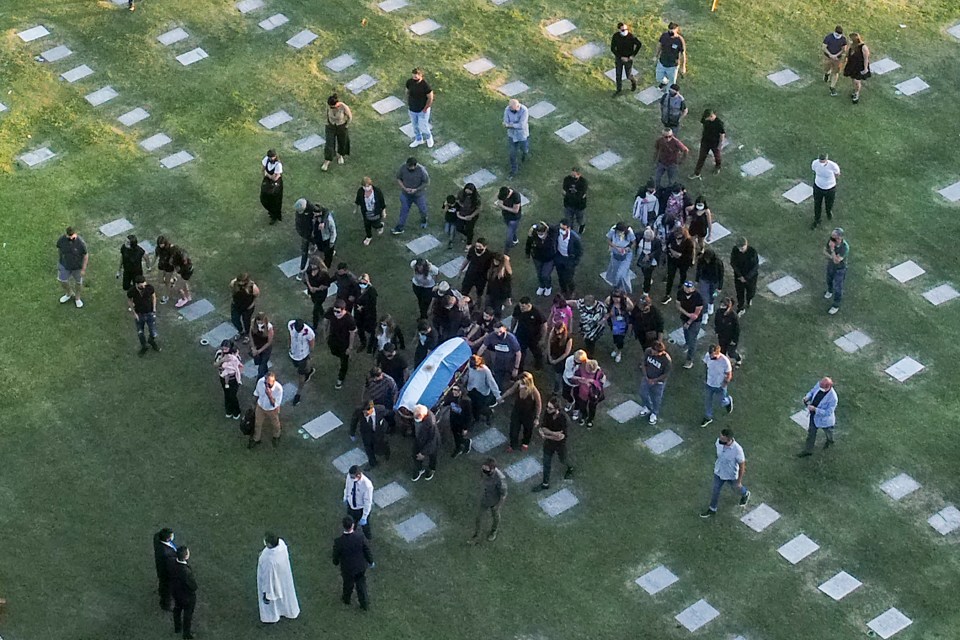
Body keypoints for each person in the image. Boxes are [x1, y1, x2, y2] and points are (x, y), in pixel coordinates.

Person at [699, 428, 750, 518]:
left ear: (729, 439)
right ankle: (712, 509)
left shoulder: (737, 450)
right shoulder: (718, 442)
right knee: (715, 490)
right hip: (719, 472)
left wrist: (739, 481)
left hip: (731, 475)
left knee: (736, 487)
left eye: (723, 439)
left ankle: (745, 493)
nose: (720, 439)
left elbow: (742, 466)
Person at [331, 516, 374, 610]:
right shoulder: (360, 537)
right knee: (361, 585)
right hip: (360, 567)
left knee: (347, 585)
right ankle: (364, 604)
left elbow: (336, 555)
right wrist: (371, 561)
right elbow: (366, 550)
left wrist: (336, 562)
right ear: (352, 525)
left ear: (344, 526)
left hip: (348, 569)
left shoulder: (339, 542)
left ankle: (346, 599)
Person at [257, 533, 300, 623]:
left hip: (273, 580)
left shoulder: (269, 560)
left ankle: (272, 616)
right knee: (285, 594)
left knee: (273, 602)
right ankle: (287, 611)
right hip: (283, 576)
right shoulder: (282, 545)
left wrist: (267, 593)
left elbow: (267, 577)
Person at [534, 396, 574, 491]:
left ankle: (570, 467)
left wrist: (546, 435)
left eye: (550, 408)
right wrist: (553, 433)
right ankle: (545, 483)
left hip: (560, 444)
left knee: (563, 459)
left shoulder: (564, 419)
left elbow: (560, 437)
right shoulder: (547, 414)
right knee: (546, 462)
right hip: (549, 444)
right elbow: (543, 428)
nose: (547, 409)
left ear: (557, 409)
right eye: (547, 407)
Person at [497, 372, 542, 453]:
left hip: (528, 414)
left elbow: (539, 404)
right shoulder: (518, 384)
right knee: (513, 428)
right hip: (517, 411)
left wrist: (537, 417)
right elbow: (511, 390)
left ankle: (525, 443)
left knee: (528, 430)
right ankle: (513, 444)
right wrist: (502, 397)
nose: (521, 384)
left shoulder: (534, 391)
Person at [798, 377, 839, 457]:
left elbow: (828, 412)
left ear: (828, 387)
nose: (820, 388)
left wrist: (815, 409)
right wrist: (807, 397)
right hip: (814, 416)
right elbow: (812, 391)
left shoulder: (833, 398)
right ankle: (808, 450)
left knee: (828, 432)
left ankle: (830, 441)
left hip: (825, 420)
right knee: (811, 434)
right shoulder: (819, 385)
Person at [470, 458, 507, 543]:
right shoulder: (484, 470)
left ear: (493, 469)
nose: (484, 471)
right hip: (485, 498)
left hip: (495, 500)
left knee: (495, 516)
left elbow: (503, 494)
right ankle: (477, 533)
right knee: (479, 517)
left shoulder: (500, 479)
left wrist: (498, 506)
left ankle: (494, 531)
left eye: (487, 470)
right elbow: (482, 476)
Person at [322, 300, 357, 390]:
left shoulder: (349, 319)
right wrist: (325, 334)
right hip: (333, 339)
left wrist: (350, 347)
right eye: (334, 311)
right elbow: (326, 321)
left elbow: (352, 333)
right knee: (333, 352)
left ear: (343, 310)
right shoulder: (331, 312)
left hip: (344, 343)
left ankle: (340, 378)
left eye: (338, 311)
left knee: (344, 361)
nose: (335, 313)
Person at [478, 322, 522, 389]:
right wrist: (477, 357)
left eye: (500, 332)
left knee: (511, 377)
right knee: (498, 380)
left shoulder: (511, 338)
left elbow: (518, 353)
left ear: (505, 329)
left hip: (510, 363)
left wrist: (516, 368)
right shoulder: (491, 336)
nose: (499, 334)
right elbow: (483, 347)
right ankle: (499, 393)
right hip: (499, 362)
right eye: (496, 333)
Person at [393, 156, 430, 234]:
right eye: (408, 166)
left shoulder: (422, 170)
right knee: (404, 211)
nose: (409, 168)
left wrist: (416, 189)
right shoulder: (403, 167)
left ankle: (424, 220)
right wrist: (404, 188)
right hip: (406, 194)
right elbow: (399, 178)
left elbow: (426, 182)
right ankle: (400, 227)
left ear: (415, 165)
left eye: (411, 167)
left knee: (423, 210)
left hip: (418, 195)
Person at [638, 339, 671, 425]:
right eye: (653, 351)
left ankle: (654, 413)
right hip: (647, 377)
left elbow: (665, 374)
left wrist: (655, 380)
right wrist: (646, 376)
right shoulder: (648, 351)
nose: (653, 353)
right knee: (642, 393)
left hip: (659, 382)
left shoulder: (666, 360)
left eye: (655, 352)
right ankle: (648, 407)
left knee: (656, 398)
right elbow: (644, 363)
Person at [701, 344, 733, 428]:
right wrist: (705, 376)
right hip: (709, 384)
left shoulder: (725, 361)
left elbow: (729, 374)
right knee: (708, 400)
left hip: (719, 386)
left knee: (721, 402)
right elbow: (705, 365)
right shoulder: (708, 356)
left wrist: (724, 383)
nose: (711, 358)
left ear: (718, 353)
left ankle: (728, 401)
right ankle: (708, 417)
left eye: (714, 357)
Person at [127, 275, 161, 356]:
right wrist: (134, 313)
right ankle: (144, 347)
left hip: (149, 313)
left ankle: (151, 341)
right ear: (137, 284)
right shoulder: (132, 291)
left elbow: (153, 296)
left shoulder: (149, 288)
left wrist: (154, 308)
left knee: (153, 332)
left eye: (144, 283)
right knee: (140, 333)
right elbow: (129, 300)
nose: (143, 286)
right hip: (139, 314)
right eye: (141, 285)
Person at [511, 297, 547, 369]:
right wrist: (512, 330)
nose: (521, 308)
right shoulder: (518, 308)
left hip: (534, 337)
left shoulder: (536, 312)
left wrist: (543, 338)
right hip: (521, 334)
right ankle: (520, 368)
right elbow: (514, 318)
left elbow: (544, 325)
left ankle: (539, 365)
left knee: (537, 352)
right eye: (520, 306)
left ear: (528, 305)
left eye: (523, 306)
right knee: (520, 352)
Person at [250, 371, 283, 449]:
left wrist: (270, 395)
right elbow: (256, 393)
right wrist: (253, 404)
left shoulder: (278, 389)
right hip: (260, 406)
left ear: (273, 382)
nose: (266, 386)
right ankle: (256, 439)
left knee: (275, 424)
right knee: (258, 423)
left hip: (272, 409)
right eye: (265, 383)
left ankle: (276, 436)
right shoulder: (261, 382)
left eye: (269, 384)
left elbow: (275, 404)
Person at [56, 227, 88, 308]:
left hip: (77, 267)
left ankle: (77, 298)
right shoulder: (62, 240)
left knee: (78, 282)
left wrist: (83, 269)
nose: (70, 238)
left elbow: (85, 255)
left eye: (72, 236)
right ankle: (69, 293)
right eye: (69, 236)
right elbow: (59, 249)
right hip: (64, 265)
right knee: (62, 281)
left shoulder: (80, 242)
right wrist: (61, 260)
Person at [287, 319, 316, 406]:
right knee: (298, 368)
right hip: (293, 354)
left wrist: (309, 355)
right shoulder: (291, 325)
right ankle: (309, 371)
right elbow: (290, 335)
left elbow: (312, 344)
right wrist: (289, 344)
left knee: (301, 375)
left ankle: (298, 394)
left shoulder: (309, 332)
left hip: (303, 356)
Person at [353, 400, 391, 466]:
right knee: (368, 448)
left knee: (383, 444)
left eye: (367, 412)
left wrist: (388, 426)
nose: (365, 414)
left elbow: (389, 414)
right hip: (366, 433)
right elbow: (354, 420)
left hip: (379, 432)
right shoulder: (359, 411)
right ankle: (373, 463)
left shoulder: (380, 409)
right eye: (364, 412)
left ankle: (386, 453)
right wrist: (352, 433)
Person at [170, 546, 197, 640]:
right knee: (187, 615)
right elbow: (193, 586)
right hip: (187, 597)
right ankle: (186, 634)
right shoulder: (186, 571)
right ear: (186, 556)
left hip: (176, 594)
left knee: (177, 610)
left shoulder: (172, 563)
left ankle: (177, 628)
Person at [466, 354, 501, 425]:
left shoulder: (485, 370)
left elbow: (492, 383)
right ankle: (476, 419)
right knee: (474, 406)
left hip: (482, 392)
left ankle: (489, 414)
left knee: (482, 408)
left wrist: (497, 396)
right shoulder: (470, 366)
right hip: (472, 389)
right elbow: (467, 375)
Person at [663, 226, 696, 302]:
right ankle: (667, 294)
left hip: (684, 262)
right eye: (676, 235)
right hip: (672, 260)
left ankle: (681, 283)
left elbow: (689, 254)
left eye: (679, 236)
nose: (677, 237)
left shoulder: (688, 241)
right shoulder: (672, 236)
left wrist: (680, 255)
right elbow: (667, 245)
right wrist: (671, 251)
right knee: (670, 276)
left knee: (683, 273)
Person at [690, 109, 725, 179]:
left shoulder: (719, 123)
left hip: (714, 143)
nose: (706, 120)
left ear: (711, 116)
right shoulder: (705, 119)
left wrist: (720, 144)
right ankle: (697, 173)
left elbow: (722, 134)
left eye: (708, 118)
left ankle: (718, 167)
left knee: (717, 156)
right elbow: (703, 125)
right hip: (705, 141)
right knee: (701, 157)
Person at [677, 280, 705, 368]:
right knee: (685, 332)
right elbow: (678, 305)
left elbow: (696, 314)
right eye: (686, 287)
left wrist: (689, 322)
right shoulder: (680, 292)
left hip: (695, 321)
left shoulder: (698, 297)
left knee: (693, 339)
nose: (687, 289)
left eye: (689, 287)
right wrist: (687, 314)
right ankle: (687, 343)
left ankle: (690, 360)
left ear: (693, 288)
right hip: (685, 317)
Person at [526, 221, 558, 296]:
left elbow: (555, 227)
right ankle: (542, 286)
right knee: (539, 274)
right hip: (537, 258)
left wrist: (546, 225)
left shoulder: (551, 234)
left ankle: (548, 287)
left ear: (546, 231)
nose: (540, 235)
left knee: (545, 275)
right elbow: (528, 244)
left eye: (541, 233)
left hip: (549, 259)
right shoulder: (533, 235)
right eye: (538, 233)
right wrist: (527, 254)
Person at [571, 359, 605, 428]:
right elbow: (574, 378)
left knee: (592, 408)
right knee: (582, 406)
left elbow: (602, 380)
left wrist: (593, 382)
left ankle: (590, 419)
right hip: (582, 392)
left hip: (593, 394)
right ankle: (584, 416)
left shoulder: (598, 372)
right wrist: (582, 381)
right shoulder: (581, 369)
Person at [406, 67, 434, 149]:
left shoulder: (425, 86)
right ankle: (418, 139)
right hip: (412, 109)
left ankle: (429, 137)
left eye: (416, 76)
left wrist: (425, 108)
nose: (414, 78)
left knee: (423, 126)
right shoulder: (409, 82)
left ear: (420, 75)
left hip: (422, 110)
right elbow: (407, 91)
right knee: (415, 126)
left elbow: (430, 98)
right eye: (413, 76)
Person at [322, 93, 352, 171]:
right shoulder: (329, 107)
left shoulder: (343, 107)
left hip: (341, 126)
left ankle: (340, 155)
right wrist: (327, 122)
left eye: (333, 107)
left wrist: (346, 125)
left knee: (342, 142)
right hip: (331, 126)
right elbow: (326, 115)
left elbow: (350, 117)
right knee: (329, 144)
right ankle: (327, 161)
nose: (332, 108)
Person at [729, 237, 759, 316]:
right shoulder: (735, 250)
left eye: (742, 248)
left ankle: (749, 299)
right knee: (739, 293)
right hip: (739, 276)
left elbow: (755, 267)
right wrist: (740, 276)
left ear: (746, 245)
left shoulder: (752, 252)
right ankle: (740, 307)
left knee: (751, 291)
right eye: (739, 248)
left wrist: (746, 278)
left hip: (751, 278)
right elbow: (733, 263)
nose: (740, 250)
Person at [553, 220, 583, 298]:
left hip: (569, 260)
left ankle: (572, 290)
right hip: (559, 257)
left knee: (569, 278)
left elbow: (579, 251)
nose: (561, 230)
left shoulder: (575, 238)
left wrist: (575, 262)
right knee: (560, 276)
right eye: (560, 228)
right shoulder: (557, 232)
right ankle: (563, 290)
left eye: (563, 229)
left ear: (569, 228)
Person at [824, 227, 850, 315]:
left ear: (839, 238)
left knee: (838, 287)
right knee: (829, 279)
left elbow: (837, 261)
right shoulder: (831, 241)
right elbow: (824, 251)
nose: (831, 238)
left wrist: (832, 250)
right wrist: (832, 256)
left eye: (834, 237)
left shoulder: (844, 247)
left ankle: (836, 305)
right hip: (831, 266)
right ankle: (829, 291)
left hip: (840, 269)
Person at [214, 339, 243, 419]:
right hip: (223, 378)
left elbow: (240, 366)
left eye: (226, 349)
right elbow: (215, 364)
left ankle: (236, 411)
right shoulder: (219, 353)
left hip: (233, 379)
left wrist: (236, 373)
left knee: (232, 395)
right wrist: (222, 360)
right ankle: (229, 410)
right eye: (223, 348)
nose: (224, 350)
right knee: (226, 394)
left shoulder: (234, 355)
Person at [411, 404, 441, 482]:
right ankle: (419, 469)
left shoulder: (431, 423)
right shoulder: (419, 413)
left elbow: (432, 440)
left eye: (417, 417)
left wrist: (423, 453)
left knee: (433, 456)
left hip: (431, 442)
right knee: (415, 454)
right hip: (420, 439)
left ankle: (431, 469)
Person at [654, 22, 687, 91]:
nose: (670, 31)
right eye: (669, 29)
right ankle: (665, 82)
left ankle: (668, 95)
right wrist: (656, 56)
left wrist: (683, 67)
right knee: (659, 78)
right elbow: (659, 46)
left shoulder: (680, 40)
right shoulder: (664, 36)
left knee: (672, 83)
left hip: (673, 65)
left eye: (672, 30)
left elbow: (683, 54)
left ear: (676, 29)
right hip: (662, 62)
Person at [610, 22, 642, 94]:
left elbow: (639, 44)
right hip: (619, 58)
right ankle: (618, 90)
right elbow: (612, 48)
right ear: (619, 30)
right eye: (623, 30)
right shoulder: (616, 36)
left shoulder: (631, 37)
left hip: (628, 59)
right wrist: (620, 57)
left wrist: (633, 55)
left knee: (628, 75)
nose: (625, 31)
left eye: (626, 29)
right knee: (618, 75)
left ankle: (634, 84)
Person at [354, 177, 387, 246]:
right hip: (366, 213)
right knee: (367, 225)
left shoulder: (377, 191)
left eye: (368, 186)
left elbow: (382, 202)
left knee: (375, 225)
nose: (366, 188)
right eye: (365, 186)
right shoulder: (360, 191)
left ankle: (380, 226)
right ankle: (369, 237)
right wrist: (355, 209)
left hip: (376, 212)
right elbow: (357, 201)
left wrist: (384, 212)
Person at [343, 465, 374, 539]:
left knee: (365, 527)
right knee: (351, 523)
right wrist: (346, 497)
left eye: (353, 477)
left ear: (359, 475)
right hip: (351, 506)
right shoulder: (350, 477)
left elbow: (367, 502)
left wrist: (364, 516)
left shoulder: (367, 485)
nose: (351, 478)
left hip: (360, 509)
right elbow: (347, 487)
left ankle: (368, 537)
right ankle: (351, 536)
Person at [811, 153, 841, 229]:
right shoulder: (815, 163)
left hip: (830, 188)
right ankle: (817, 219)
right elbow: (814, 170)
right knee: (817, 204)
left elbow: (837, 174)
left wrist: (830, 182)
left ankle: (829, 212)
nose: (821, 162)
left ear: (826, 159)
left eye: (823, 160)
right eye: (820, 160)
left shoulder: (833, 166)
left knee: (829, 203)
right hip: (818, 187)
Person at [605, 222, 636, 293]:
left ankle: (625, 289)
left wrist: (628, 248)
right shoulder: (613, 230)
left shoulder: (629, 232)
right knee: (615, 272)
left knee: (621, 274)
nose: (619, 233)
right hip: (615, 254)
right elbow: (608, 240)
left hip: (626, 255)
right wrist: (616, 247)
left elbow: (634, 242)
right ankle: (616, 287)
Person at [444, 385, 474, 458]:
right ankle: (459, 447)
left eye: (456, 390)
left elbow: (468, 416)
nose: (454, 392)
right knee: (455, 435)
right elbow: (447, 402)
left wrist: (465, 428)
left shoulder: (466, 401)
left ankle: (465, 443)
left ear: (460, 391)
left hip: (461, 422)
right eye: (453, 390)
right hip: (453, 420)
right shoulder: (451, 396)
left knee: (459, 436)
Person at [503, 99, 529, 179]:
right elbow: (505, 122)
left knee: (524, 149)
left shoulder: (524, 110)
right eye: (513, 109)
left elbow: (521, 125)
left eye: (516, 108)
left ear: (518, 105)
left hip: (522, 135)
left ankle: (525, 155)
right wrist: (512, 125)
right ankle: (514, 170)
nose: (515, 110)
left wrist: (510, 125)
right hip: (512, 136)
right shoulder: (507, 110)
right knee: (512, 154)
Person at [695, 247, 724, 321]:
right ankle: (705, 314)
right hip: (704, 280)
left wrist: (720, 287)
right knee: (704, 298)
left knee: (713, 294)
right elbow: (698, 270)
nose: (707, 260)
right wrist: (697, 279)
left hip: (714, 282)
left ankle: (711, 303)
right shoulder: (701, 260)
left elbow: (721, 275)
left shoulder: (718, 263)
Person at [605, 290, 633, 363]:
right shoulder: (611, 304)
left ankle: (619, 353)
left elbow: (631, 307)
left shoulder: (624, 304)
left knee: (620, 340)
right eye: (614, 297)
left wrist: (626, 299)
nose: (616, 299)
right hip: (614, 324)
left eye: (618, 297)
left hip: (623, 325)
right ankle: (615, 349)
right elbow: (606, 307)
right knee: (615, 338)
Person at [152, 528, 177, 611]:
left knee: (163, 584)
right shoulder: (166, 553)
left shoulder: (157, 539)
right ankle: (165, 605)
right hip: (166, 573)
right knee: (167, 589)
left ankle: (161, 591)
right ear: (168, 539)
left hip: (161, 569)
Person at [230, 273, 260, 341]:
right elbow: (232, 290)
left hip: (247, 308)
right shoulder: (233, 283)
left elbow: (256, 294)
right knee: (234, 319)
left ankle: (247, 334)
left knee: (246, 322)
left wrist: (251, 303)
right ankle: (240, 331)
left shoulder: (253, 287)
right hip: (236, 305)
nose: (241, 284)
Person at [714, 297, 742, 368]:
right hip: (722, 336)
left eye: (724, 306)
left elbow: (737, 330)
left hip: (731, 338)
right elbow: (716, 322)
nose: (721, 307)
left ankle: (738, 359)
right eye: (721, 305)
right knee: (722, 350)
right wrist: (717, 331)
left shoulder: (733, 316)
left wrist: (734, 340)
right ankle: (723, 362)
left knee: (731, 353)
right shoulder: (719, 312)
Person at [305, 258, 332, 330]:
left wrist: (316, 289)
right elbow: (306, 276)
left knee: (315, 311)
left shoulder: (323, 273)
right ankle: (322, 313)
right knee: (316, 304)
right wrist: (310, 287)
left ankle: (314, 326)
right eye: (311, 265)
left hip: (320, 294)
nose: (312, 267)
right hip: (312, 292)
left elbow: (327, 285)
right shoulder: (310, 269)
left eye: (314, 265)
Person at [547, 322, 573, 395]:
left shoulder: (568, 338)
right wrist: (549, 355)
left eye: (559, 330)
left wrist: (556, 361)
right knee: (554, 371)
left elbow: (566, 353)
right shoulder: (553, 333)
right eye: (556, 329)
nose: (557, 332)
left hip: (561, 359)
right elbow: (549, 344)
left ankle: (556, 390)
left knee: (558, 376)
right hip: (553, 354)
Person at [843, 33, 870, 104]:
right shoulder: (851, 46)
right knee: (853, 79)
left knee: (857, 81)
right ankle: (855, 90)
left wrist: (865, 68)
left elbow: (866, 58)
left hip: (859, 66)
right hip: (852, 65)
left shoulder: (863, 47)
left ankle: (857, 93)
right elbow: (847, 54)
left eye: (851, 40)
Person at [822, 25, 848, 97]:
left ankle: (832, 87)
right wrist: (830, 55)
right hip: (828, 57)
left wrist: (836, 55)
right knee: (827, 68)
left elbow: (844, 49)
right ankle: (827, 74)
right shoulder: (829, 37)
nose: (838, 36)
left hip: (837, 59)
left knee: (836, 72)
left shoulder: (843, 39)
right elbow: (824, 47)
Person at [354, 273, 378, 351]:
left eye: (364, 283)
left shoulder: (372, 290)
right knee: (360, 328)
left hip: (369, 314)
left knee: (371, 329)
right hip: (358, 312)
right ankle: (363, 343)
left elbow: (372, 304)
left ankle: (372, 343)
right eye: (360, 282)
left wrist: (363, 307)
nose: (362, 284)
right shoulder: (357, 287)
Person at [495, 186, 523, 251]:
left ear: (508, 195)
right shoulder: (504, 191)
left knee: (509, 236)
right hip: (506, 216)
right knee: (512, 231)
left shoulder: (516, 196)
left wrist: (502, 206)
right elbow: (500, 199)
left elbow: (516, 210)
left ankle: (507, 249)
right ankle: (515, 240)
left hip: (514, 218)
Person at [562, 167, 589, 234]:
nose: (573, 177)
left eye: (574, 175)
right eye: (572, 175)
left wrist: (568, 195)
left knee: (580, 220)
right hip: (568, 204)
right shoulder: (567, 179)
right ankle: (570, 232)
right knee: (568, 220)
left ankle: (581, 228)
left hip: (579, 206)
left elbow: (580, 196)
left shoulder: (583, 182)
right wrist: (573, 196)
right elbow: (564, 190)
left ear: (579, 174)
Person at [636, 227, 662, 295]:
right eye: (646, 239)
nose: (647, 240)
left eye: (649, 239)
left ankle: (646, 291)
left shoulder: (657, 242)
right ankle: (648, 280)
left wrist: (649, 256)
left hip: (652, 261)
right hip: (642, 258)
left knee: (648, 275)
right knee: (644, 271)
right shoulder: (641, 238)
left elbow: (658, 251)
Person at [260, 149, 283, 224]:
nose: (270, 159)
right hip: (268, 180)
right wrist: (267, 176)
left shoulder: (278, 165)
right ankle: (271, 211)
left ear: (275, 156)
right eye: (269, 157)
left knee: (275, 200)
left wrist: (267, 175)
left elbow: (275, 178)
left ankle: (275, 216)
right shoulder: (266, 159)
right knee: (263, 197)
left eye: (272, 157)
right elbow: (263, 170)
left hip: (276, 183)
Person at [249, 312, 275, 381]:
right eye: (258, 321)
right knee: (259, 362)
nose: (259, 323)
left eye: (261, 322)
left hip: (265, 348)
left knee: (261, 366)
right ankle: (266, 371)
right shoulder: (253, 323)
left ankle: (260, 380)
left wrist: (259, 351)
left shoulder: (269, 327)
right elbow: (251, 335)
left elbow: (269, 342)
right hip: (256, 345)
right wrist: (253, 347)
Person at [155, 235, 177, 305]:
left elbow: (175, 258)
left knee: (167, 283)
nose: (161, 245)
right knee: (160, 281)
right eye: (159, 244)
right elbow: (155, 256)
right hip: (161, 265)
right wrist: (150, 265)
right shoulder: (158, 248)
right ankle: (172, 280)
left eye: (162, 244)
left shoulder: (171, 248)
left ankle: (166, 296)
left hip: (169, 267)